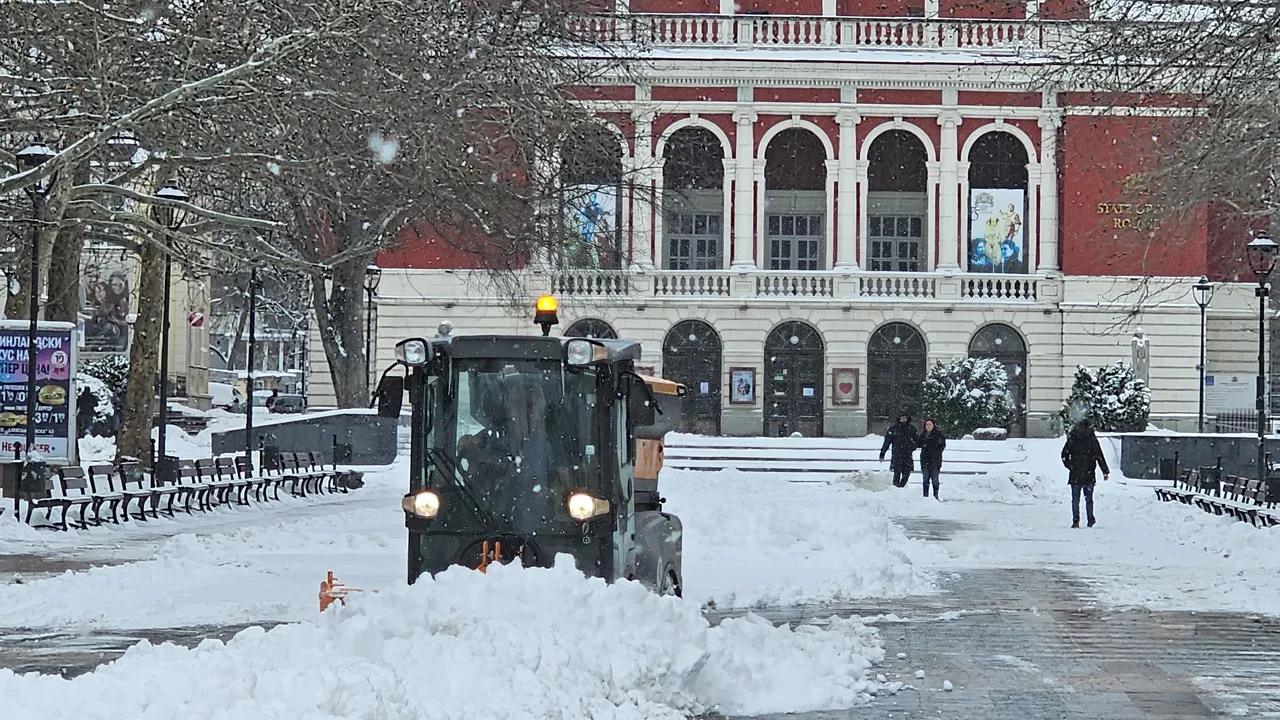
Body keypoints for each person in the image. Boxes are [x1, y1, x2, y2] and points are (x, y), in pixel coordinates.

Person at [1061, 417, 1110, 528]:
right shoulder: (1092, 439)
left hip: (1075, 474)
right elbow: (1099, 456)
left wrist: (1070, 466)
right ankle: (1090, 518)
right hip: (1089, 473)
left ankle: (1076, 520)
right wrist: (1105, 471)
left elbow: (1064, 454)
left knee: (1075, 499)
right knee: (1089, 499)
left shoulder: (1073, 438)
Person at [880, 412, 919, 488]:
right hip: (897, 455)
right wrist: (882, 453)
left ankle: (901, 487)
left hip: (907, 455)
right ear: (899, 418)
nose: (904, 420)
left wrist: (912, 447)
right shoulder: (893, 428)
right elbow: (887, 441)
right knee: (896, 474)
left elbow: (917, 441)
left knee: (907, 474)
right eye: (902, 418)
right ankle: (896, 488)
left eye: (905, 418)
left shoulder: (912, 428)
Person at [918, 418, 946, 500]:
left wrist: (936, 452)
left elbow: (942, 445)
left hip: (935, 461)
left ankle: (936, 496)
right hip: (925, 460)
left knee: (935, 479)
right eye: (926, 424)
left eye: (930, 424)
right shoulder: (923, 435)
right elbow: (918, 444)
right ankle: (925, 497)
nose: (928, 426)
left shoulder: (938, 434)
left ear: (933, 425)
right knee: (925, 479)